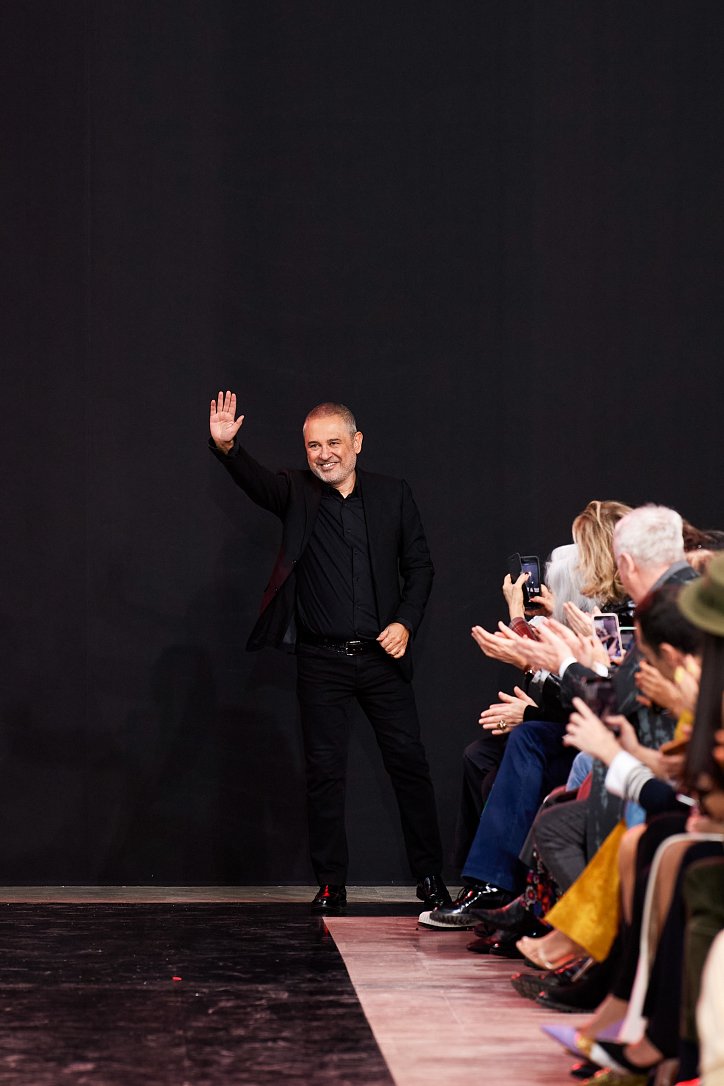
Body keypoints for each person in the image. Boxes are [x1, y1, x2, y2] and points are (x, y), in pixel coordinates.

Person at [208, 391, 450, 914]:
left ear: (357, 443)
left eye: (333, 443)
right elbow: (255, 481)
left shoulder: (393, 495)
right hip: (321, 662)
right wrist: (228, 449)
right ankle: (330, 884)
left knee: (409, 767)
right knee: (324, 774)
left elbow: (420, 567)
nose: (324, 454)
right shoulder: (295, 492)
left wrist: (405, 622)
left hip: (383, 660)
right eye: (314, 446)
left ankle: (431, 879)